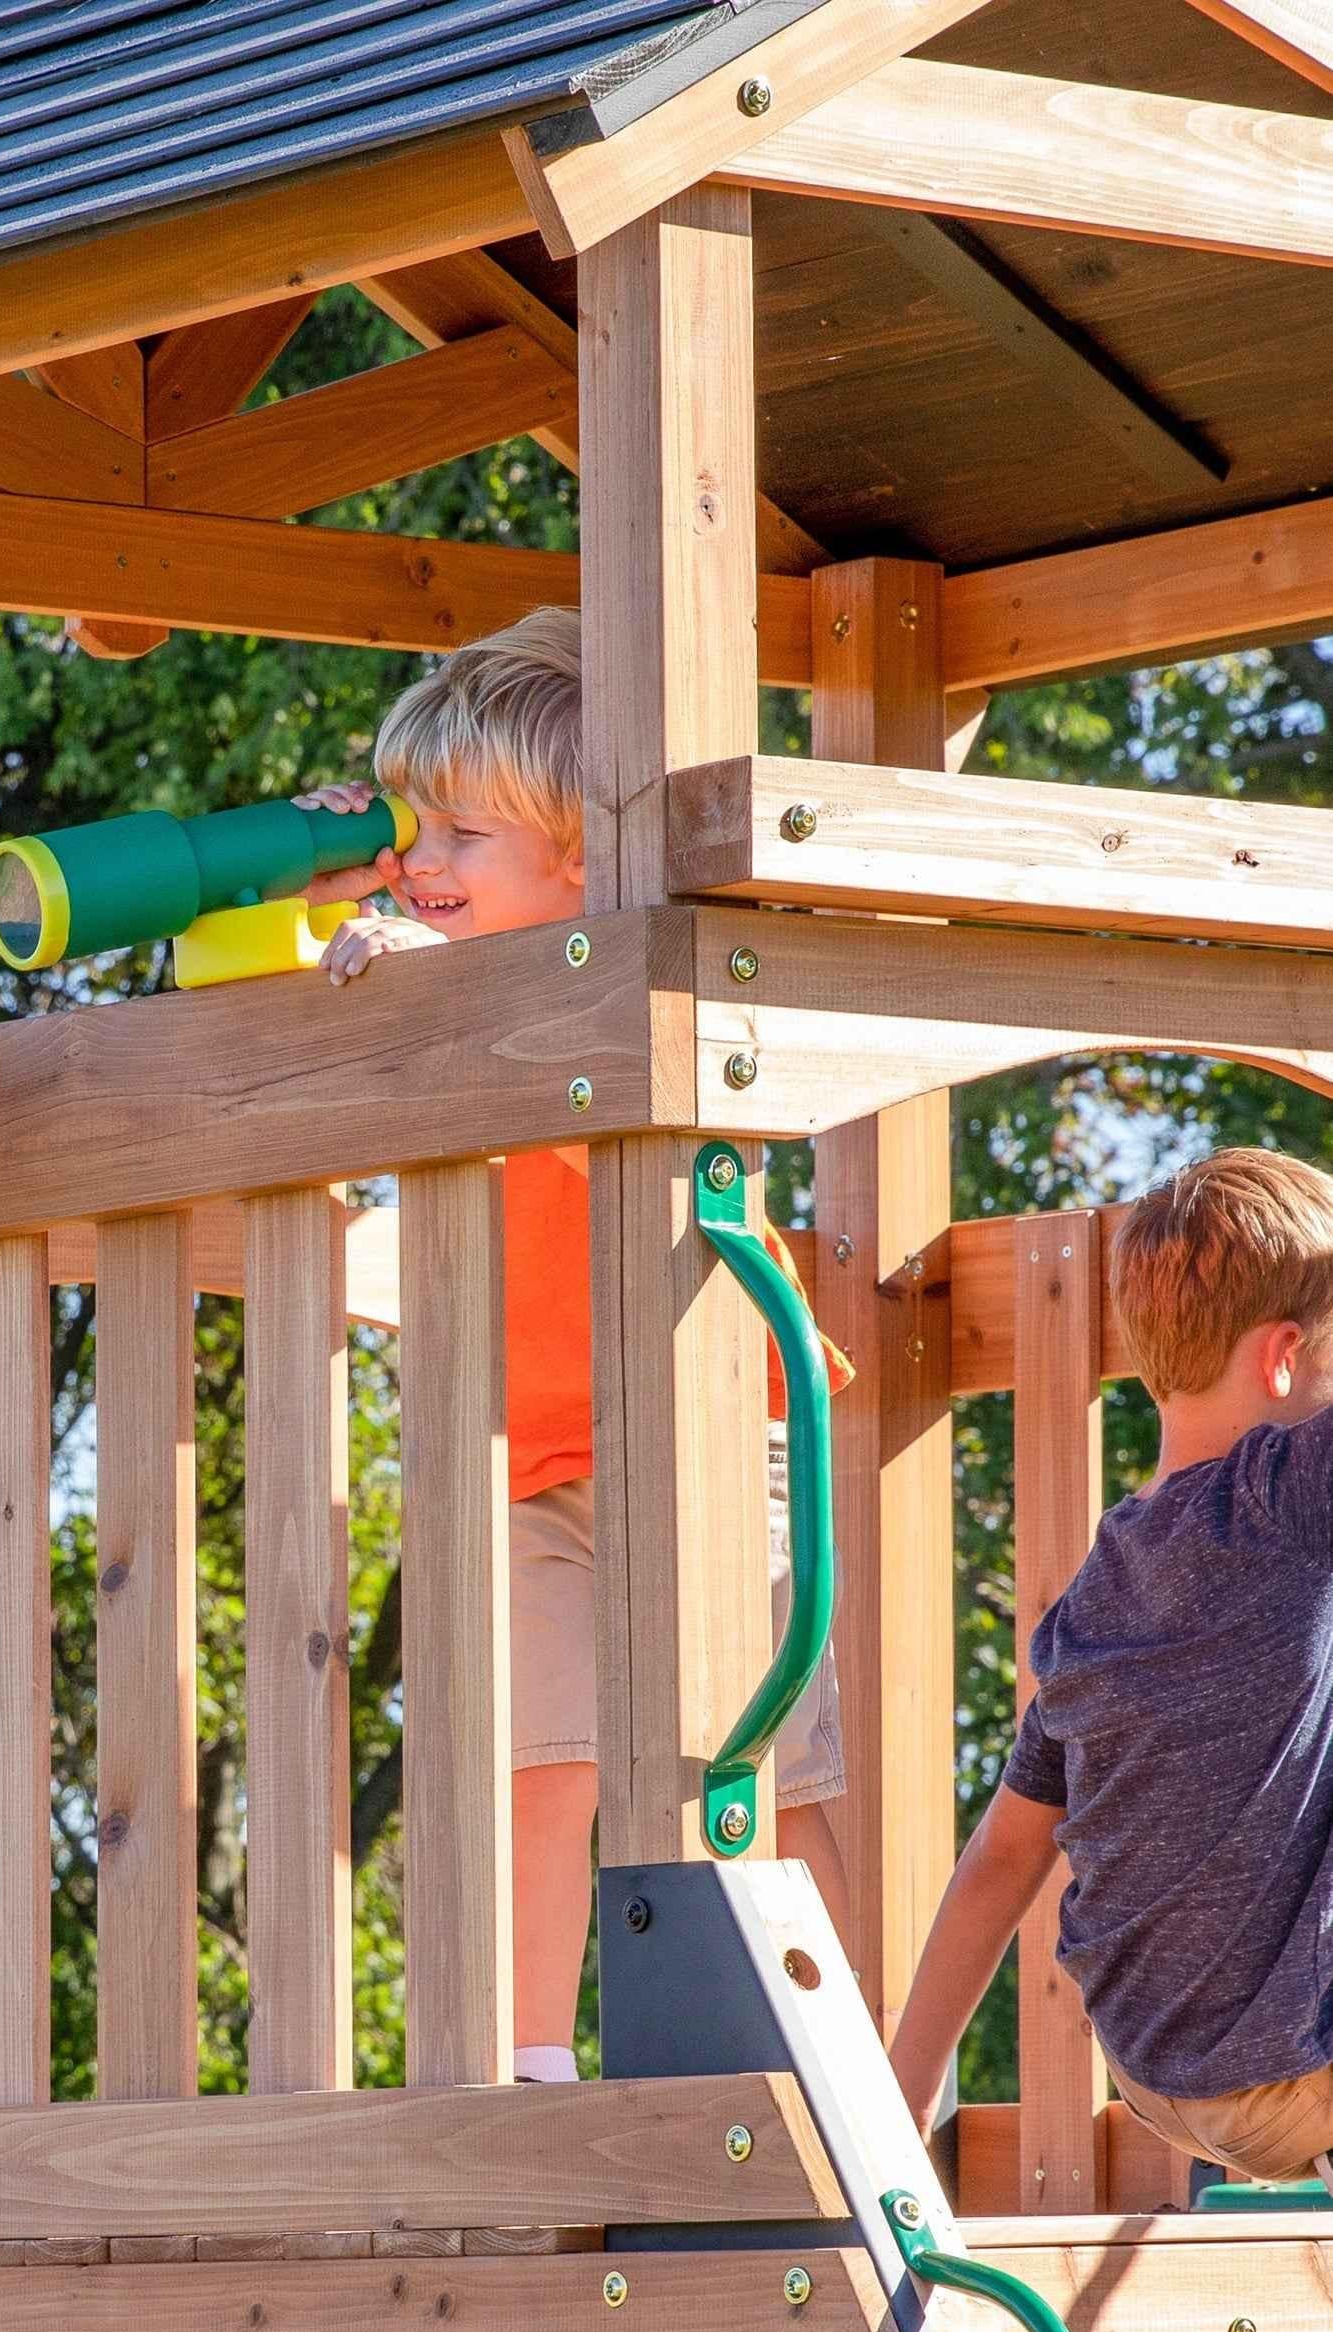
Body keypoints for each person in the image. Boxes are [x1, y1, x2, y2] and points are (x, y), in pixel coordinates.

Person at [298, 607, 851, 2088]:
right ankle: (530, 2067)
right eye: (414, 832)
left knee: (771, 1769)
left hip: (715, 1428)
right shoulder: (441, 987)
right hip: (534, 1458)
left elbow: (559, 1070)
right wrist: (346, 939)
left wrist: (429, 978)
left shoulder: (635, 975)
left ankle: (851, 2068)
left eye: (461, 838)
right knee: (537, 1758)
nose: (420, 866)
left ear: (582, 865)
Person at [889, 1148, 1333, 2187]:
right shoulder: (1292, 1482)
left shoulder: (1097, 1591)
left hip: (1155, 2074)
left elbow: (1002, 1854)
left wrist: (900, 2086)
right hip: (1294, 2050)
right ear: (1279, 1360)